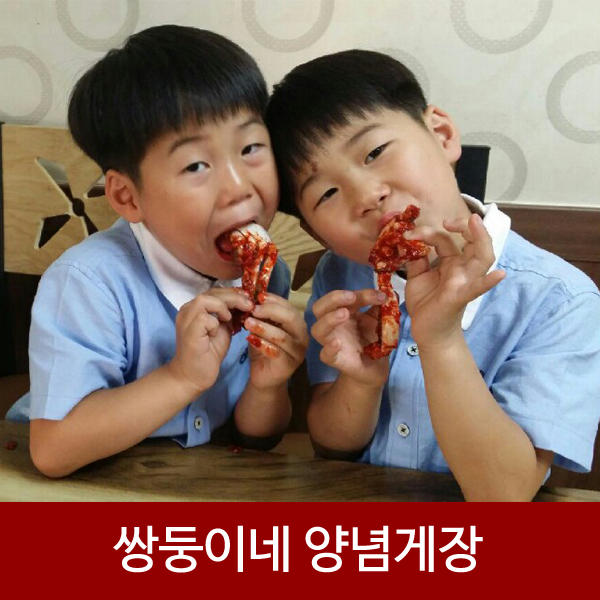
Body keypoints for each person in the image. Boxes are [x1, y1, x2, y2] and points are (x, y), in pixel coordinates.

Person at [264, 49, 600, 501]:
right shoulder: (342, 275)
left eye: (375, 152)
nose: (366, 196)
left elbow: (504, 494)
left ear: (441, 135)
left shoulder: (560, 300)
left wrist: (440, 339)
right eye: (326, 193)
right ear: (314, 231)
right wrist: (362, 381)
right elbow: (332, 445)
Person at [6, 25, 308, 477]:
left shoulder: (270, 275)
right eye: (196, 165)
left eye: (250, 148)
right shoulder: (90, 283)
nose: (238, 187)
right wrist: (181, 377)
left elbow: (256, 440)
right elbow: (53, 451)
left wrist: (268, 387)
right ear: (127, 197)